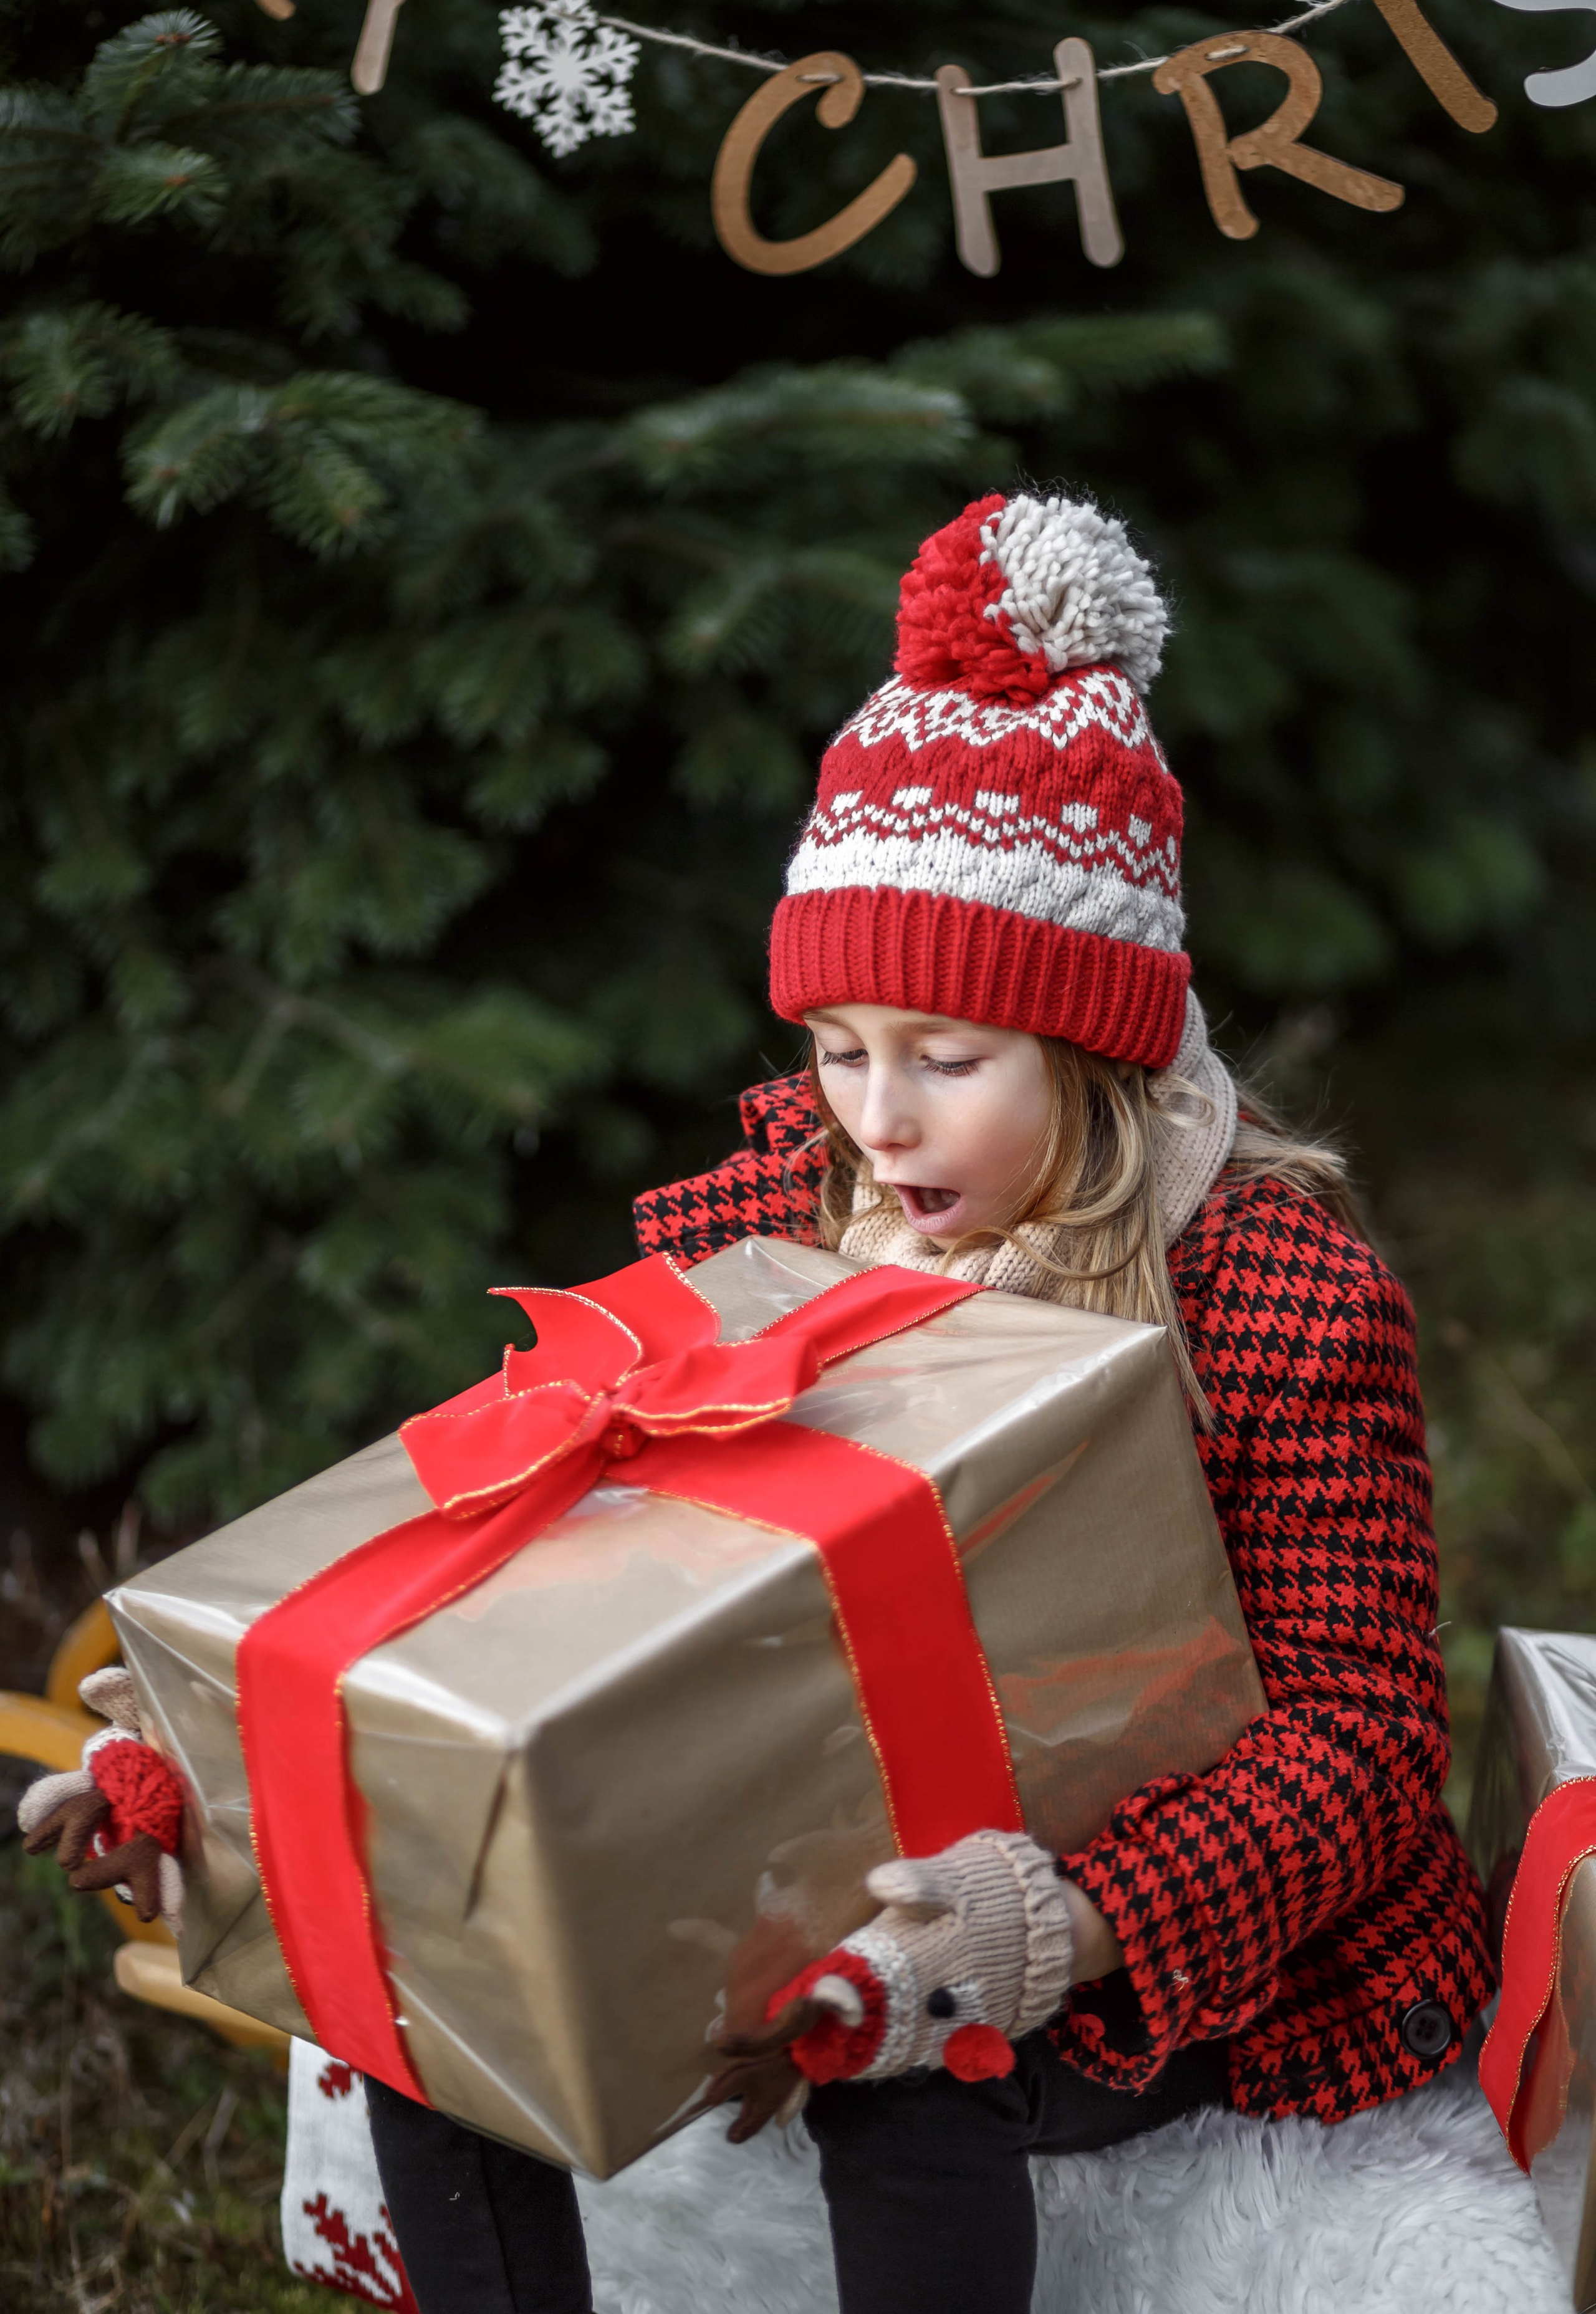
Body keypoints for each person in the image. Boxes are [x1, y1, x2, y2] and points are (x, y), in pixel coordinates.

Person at [34, 489, 1496, 2314]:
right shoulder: (773, 1217)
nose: (877, 1119)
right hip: (793, 1836)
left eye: (949, 1062)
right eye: (838, 1050)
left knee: (903, 2086)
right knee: (431, 2000)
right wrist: (223, 1778)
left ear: (1098, 1046)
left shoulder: (1272, 1295)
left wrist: (1060, 1925)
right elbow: (525, 1571)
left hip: (1148, 1938)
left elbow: (1359, 1748)